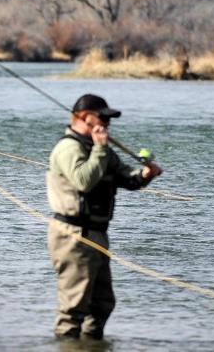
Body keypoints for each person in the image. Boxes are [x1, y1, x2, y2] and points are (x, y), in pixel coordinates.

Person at [47, 93, 162, 340]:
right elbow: (83, 181)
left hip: (98, 234)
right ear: (86, 118)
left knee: (101, 304)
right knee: (74, 308)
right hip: (73, 236)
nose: (108, 126)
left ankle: (90, 345)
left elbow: (128, 179)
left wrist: (146, 174)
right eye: (103, 119)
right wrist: (99, 148)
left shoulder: (103, 151)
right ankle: (67, 344)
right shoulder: (68, 148)